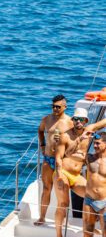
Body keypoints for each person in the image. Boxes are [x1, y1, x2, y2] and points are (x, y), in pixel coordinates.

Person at [53, 107, 91, 237]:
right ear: (73, 120)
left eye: (81, 119)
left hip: (76, 174)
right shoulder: (65, 136)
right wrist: (59, 175)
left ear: (86, 121)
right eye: (76, 119)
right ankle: (58, 236)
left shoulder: (89, 134)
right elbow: (58, 157)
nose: (78, 122)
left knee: (93, 198)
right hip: (63, 172)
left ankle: (89, 228)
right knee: (63, 204)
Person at [35, 94, 73, 225]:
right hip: (48, 158)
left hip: (62, 161)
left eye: (57, 107)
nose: (55, 109)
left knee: (62, 192)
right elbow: (40, 131)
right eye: (53, 106)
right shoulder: (46, 119)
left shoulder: (70, 122)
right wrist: (42, 144)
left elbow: (74, 140)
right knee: (46, 188)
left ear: (64, 107)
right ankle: (42, 217)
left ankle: (63, 221)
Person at [82, 133, 106, 237]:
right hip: (89, 201)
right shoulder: (89, 158)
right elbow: (69, 154)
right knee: (87, 233)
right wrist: (82, 140)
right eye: (94, 143)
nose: (95, 145)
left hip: (105, 202)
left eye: (98, 143)